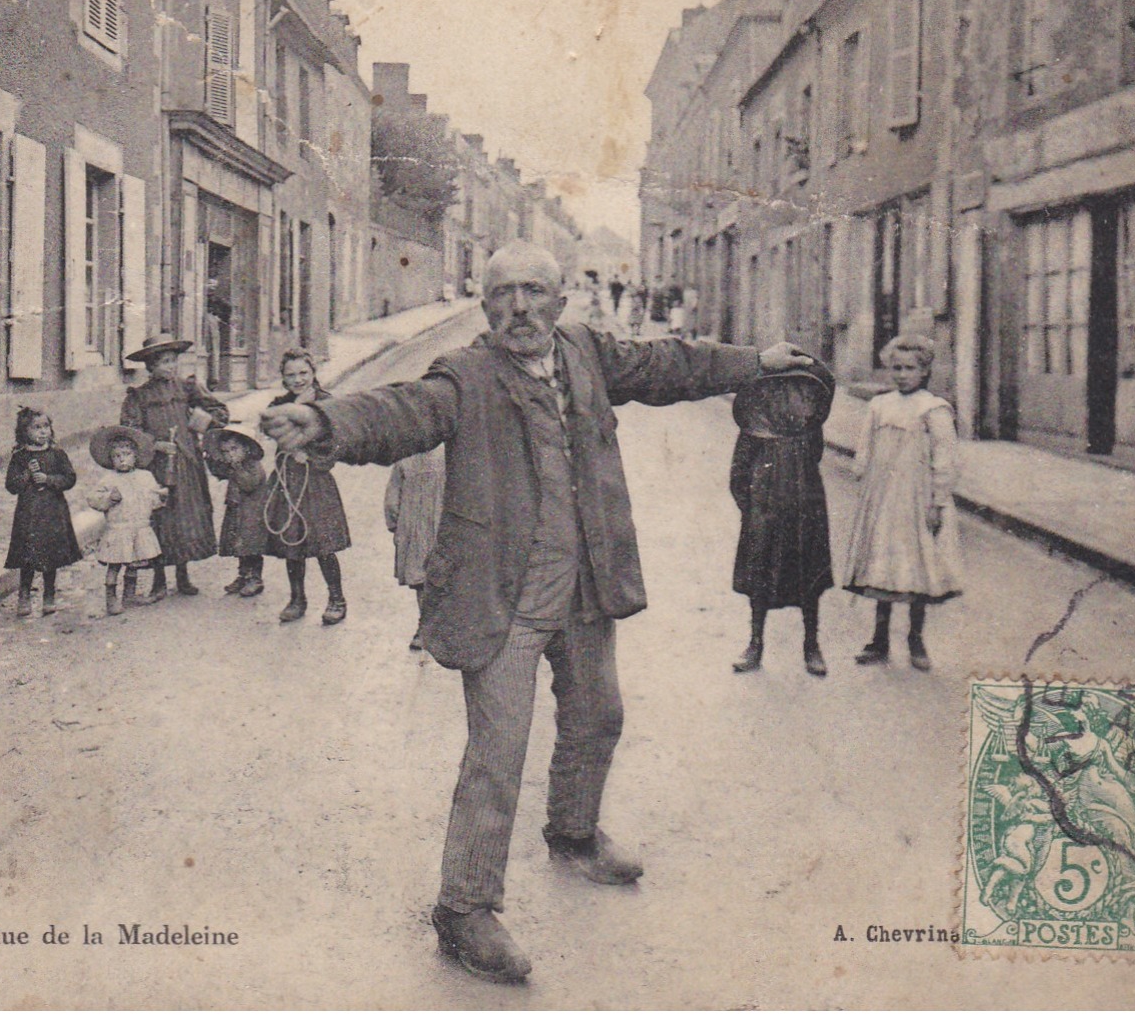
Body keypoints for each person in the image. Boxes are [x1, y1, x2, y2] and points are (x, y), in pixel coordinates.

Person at [261, 240, 812, 984]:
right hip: (501, 596)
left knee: (598, 715)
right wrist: (325, 422)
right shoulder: (465, 374)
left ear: (559, 300)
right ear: (485, 307)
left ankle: (574, 833)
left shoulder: (586, 352)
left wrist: (755, 362)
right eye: (502, 294)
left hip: (584, 583)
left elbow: (669, 366)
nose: (519, 307)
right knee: (497, 753)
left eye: (533, 292)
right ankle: (463, 909)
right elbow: (403, 412)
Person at [839, 334, 963, 670]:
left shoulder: (933, 409)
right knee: (882, 565)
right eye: (896, 368)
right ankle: (879, 639)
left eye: (910, 369)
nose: (902, 375)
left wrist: (938, 501)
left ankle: (915, 639)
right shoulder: (880, 405)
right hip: (884, 499)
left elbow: (945, 458)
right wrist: (863, 472)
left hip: (917, 499)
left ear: (924, 371)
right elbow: (865, 446)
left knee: (916, 566)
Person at [728, 364, 836, 677]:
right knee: (759, 576)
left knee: (809, 577)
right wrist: (751, 509)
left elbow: (814, 457)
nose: (788, 400)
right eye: (780, 391)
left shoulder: (808, 429)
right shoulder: (754, 430)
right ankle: (755, 643)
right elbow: (738, 472)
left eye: (796, 393)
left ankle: (812, 645)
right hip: (764, 511)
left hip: (805, 509)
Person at [120, 333, 229, 602]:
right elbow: (129, 431)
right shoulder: (139, 396)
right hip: (155, 467)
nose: (170, 367)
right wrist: (153, 445)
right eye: (163, 362)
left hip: (188, 462)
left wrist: (203, 420)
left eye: (173, 361)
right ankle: (159, 581)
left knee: (185, 518)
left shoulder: (188, 388)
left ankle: (183, 576)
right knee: (159, 520)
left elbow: (221, 413)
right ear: (151, 367)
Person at [264, 349, 352, 626]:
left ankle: (336, 599)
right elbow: (270, 430)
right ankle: (297, 598)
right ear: (283, 378)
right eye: (290, 375)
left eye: (303, 373)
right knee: (292, 540)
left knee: (323, 542)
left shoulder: (326, 403)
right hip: (288, 478)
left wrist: (313, 456)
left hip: (315, 479)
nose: (298, 379)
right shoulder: (280, 403)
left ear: (313, 372)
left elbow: (338, 444)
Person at [5, 407, 83, 618]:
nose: (42, 432)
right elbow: (11, 486)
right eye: (36, 428)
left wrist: (49, 480)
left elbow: (70, 478)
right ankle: (24, 594)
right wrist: (27, 475)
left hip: (52, 512)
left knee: (51, 555)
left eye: (46, 427)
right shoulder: (20, 457)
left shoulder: (57, 454)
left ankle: (49, 594)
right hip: (28, 513)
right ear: (24, 431)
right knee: (27, 556)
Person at [87, 426, 167, 616]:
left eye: (127, 454)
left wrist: (161, 497)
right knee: (115, 564)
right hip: (118, 529)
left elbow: (153, 500)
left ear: (135, 456)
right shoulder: (109, 479)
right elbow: (93, 499)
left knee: (134, 562)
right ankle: (111, 597)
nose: (122, 459)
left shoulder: (145, 477)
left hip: (139, 527)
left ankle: (129, 594)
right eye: (117, 456)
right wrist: (109, 499)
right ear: (111, 459)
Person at [384, 443, 445, 650]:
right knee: (437, 576)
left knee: (421, 579)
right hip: (440, 525)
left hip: (416, 527)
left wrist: (395, 525)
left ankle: (425, 626)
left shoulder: (405, 456)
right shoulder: (448, 454)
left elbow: (392, 500)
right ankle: (435, 626)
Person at [206, 428, 269, 598]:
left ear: (247, 448)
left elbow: (250, 484)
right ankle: (243, 575)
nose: (230, 455)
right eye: (225, 451)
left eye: (234, 449)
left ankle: (255, 578)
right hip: (237, 511)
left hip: (252, 514)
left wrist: (237, 469)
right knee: (239, 545)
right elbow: (218, 473)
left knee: (251, 546)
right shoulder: (234, 465)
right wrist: (212, 460)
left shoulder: (253, 465)